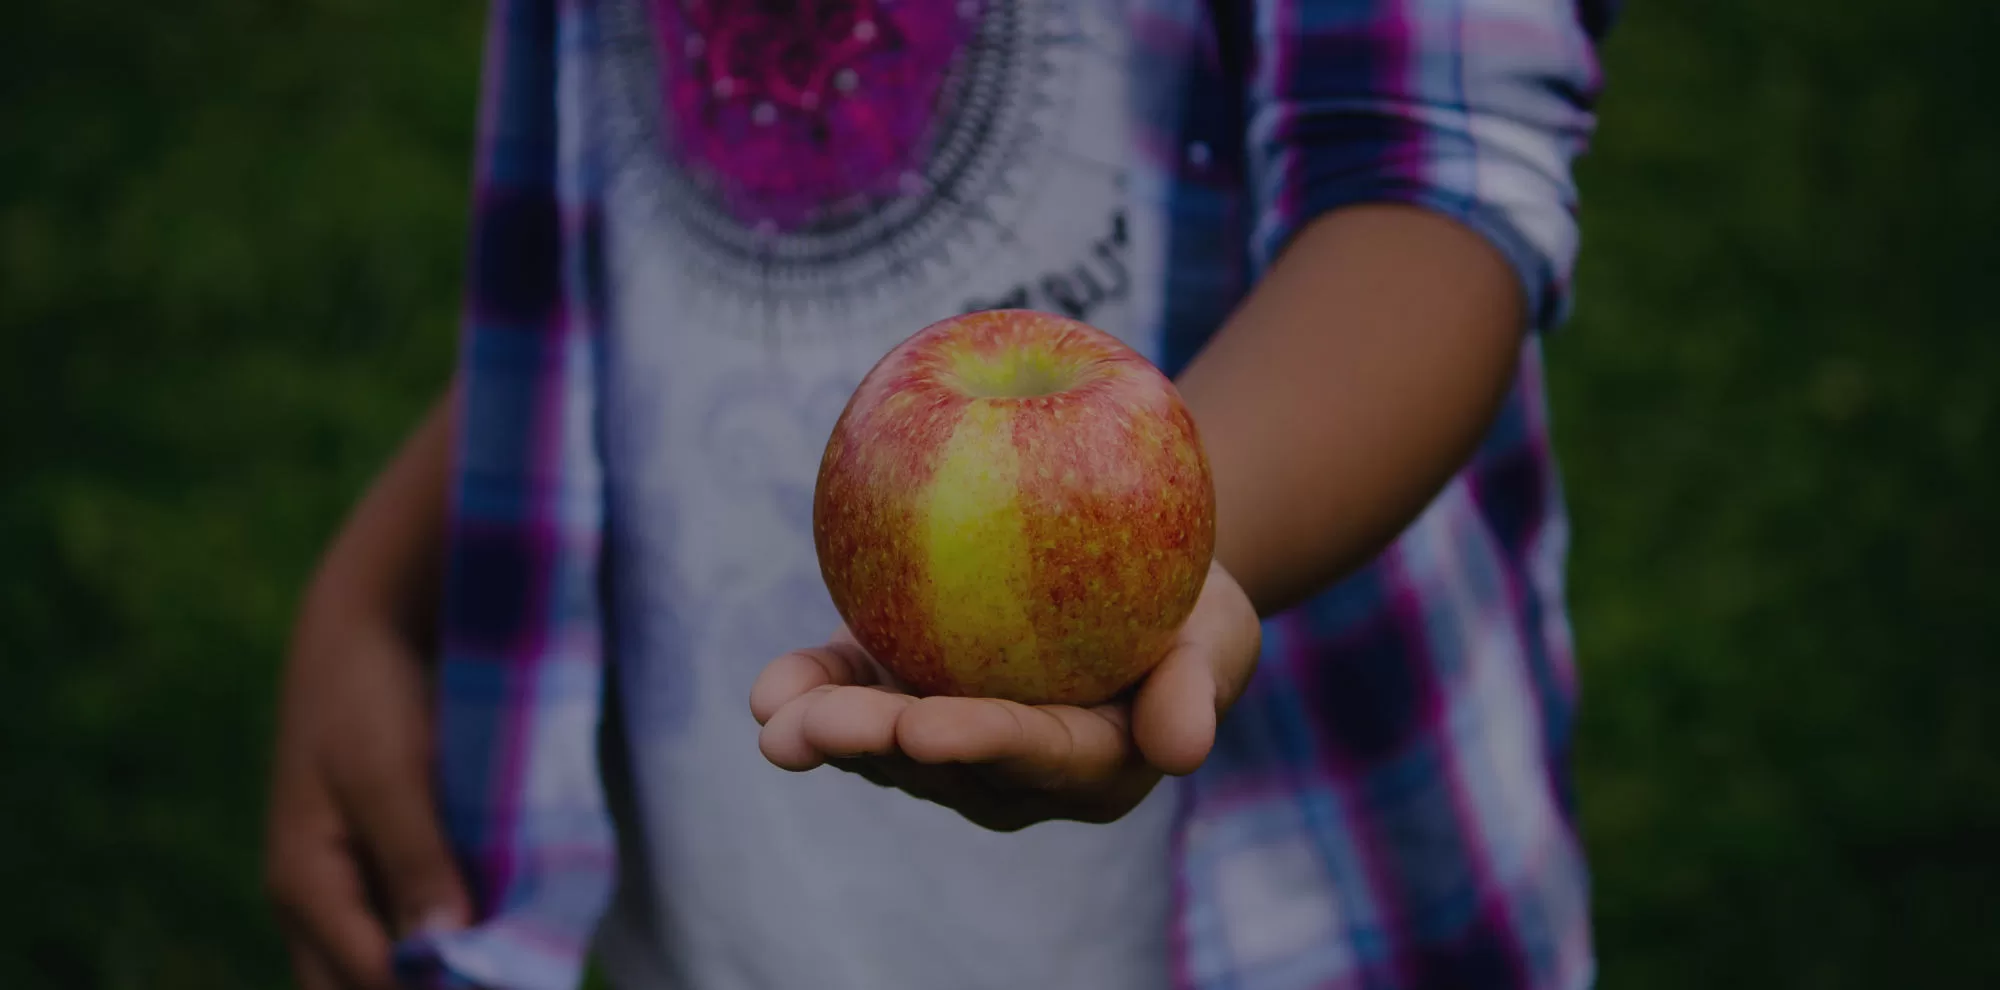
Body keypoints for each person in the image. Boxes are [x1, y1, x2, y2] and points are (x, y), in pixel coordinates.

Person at [263, 0, 1617, 987]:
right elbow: (628, 236)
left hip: (1266, 888)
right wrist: (377, 582)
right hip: (738, 877)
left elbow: (1427, 175)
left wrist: (1182, 563)